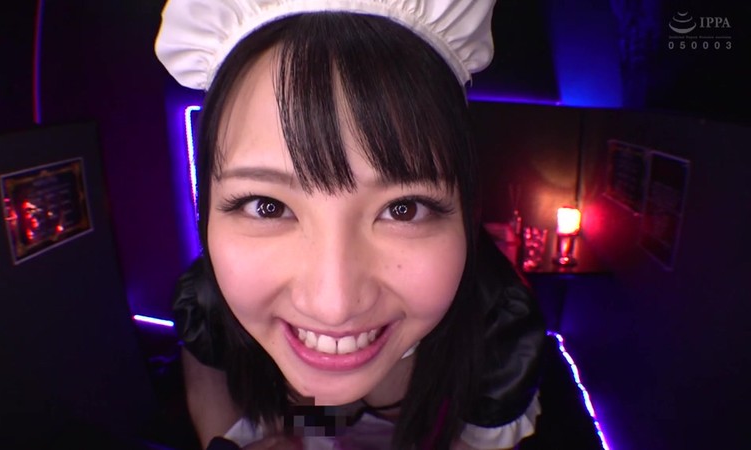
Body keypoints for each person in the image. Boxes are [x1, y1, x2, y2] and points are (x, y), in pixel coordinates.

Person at [156, 1, 547, 448]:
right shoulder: (207, 301)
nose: (334, 307)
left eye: (404, 209)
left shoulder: (498, 329)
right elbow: (208, 383)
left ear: (467, 207)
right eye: (267, 206)